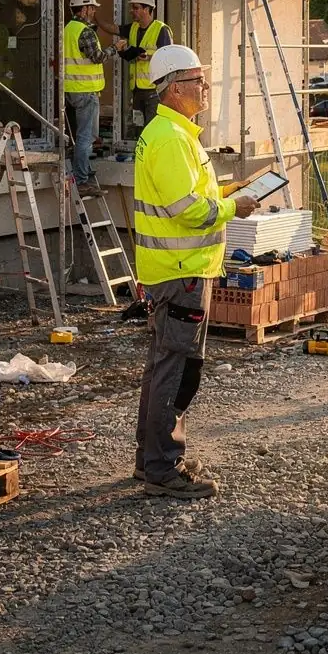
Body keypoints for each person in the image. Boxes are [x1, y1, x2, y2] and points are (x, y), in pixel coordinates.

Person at [133, 44, 259, 499]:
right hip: (181, 270)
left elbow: (191, 194)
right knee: (178, 369)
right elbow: (187, 210)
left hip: (177, 269)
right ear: (175, 89)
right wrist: (231, 206)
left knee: (163, 365)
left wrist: (230, 192)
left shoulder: (175, 134)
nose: (206, 88)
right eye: (199, 81)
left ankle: (151, 458)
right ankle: (163, 468)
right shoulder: (170, 138)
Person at [63, 0, 126, 188]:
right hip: (85, 91)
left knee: (84, 135)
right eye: (91, 8)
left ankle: (83, 171)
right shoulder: (84, 32)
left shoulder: (68, 29)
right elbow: (97, 57)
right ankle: (81, 178)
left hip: (72, 90)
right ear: (84, 9)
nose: (93, 12)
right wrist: (116, 48)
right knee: (85, 137)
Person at [117, 0, 172, 128]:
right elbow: (114, 29)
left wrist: (149, 57)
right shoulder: (134, 28)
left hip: (154, 90)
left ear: (147, 9)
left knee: (152, 128)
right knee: (139, 127)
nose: (131, 11)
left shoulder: (161, 29)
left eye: (136, 8)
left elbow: (169, 57)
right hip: (137, 90)